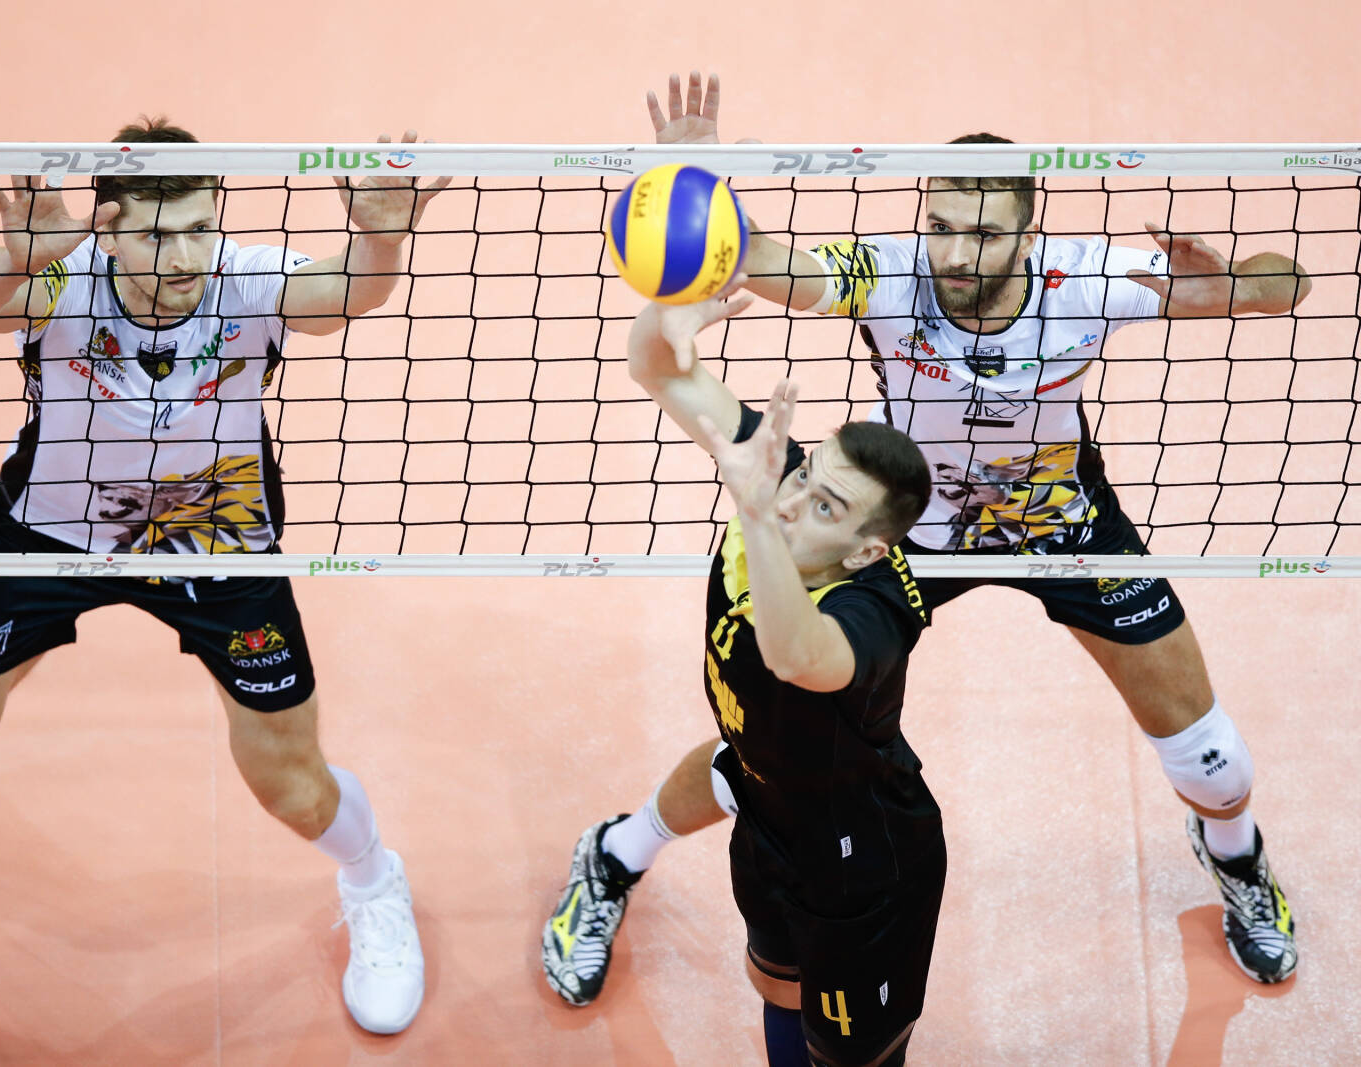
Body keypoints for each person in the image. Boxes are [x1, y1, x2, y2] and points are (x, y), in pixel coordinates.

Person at [542, 72, 1309, 1009]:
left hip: (1057, 520)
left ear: (1028, 233)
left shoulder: (1092, 278)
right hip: (904, 523)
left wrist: (1234, 287)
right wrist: (696, 184)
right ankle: (616, 852)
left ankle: (1235, 853)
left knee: (1212, 757)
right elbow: (769, 263)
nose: (953, 252)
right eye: (940, 224)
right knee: (775, 748)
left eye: (982, 234)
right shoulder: (890, 273)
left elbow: (1290, 282)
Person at [0, 117, 448, 1036]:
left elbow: (342, 294)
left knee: (291, 784)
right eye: (158, 236)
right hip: (50, 532)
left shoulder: (247, 279)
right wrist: (24, 258)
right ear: (110, 230)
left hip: (216, 540)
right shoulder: (66, 278)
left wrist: (381, 241)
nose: (186, 256)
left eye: (200, 228)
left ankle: (373, 882)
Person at [544, 276, 941, 1065]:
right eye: (806, 476)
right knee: (779, 986)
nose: (796, 502)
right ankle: (615, 851)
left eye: (826, 507)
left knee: (851, 1056)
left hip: (862, 872)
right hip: (764, 807)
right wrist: (670, 305)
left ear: (867, 549)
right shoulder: (777, 473)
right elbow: (653, 367)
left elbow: (796, 653)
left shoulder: (875, 613)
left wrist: (758, 513)